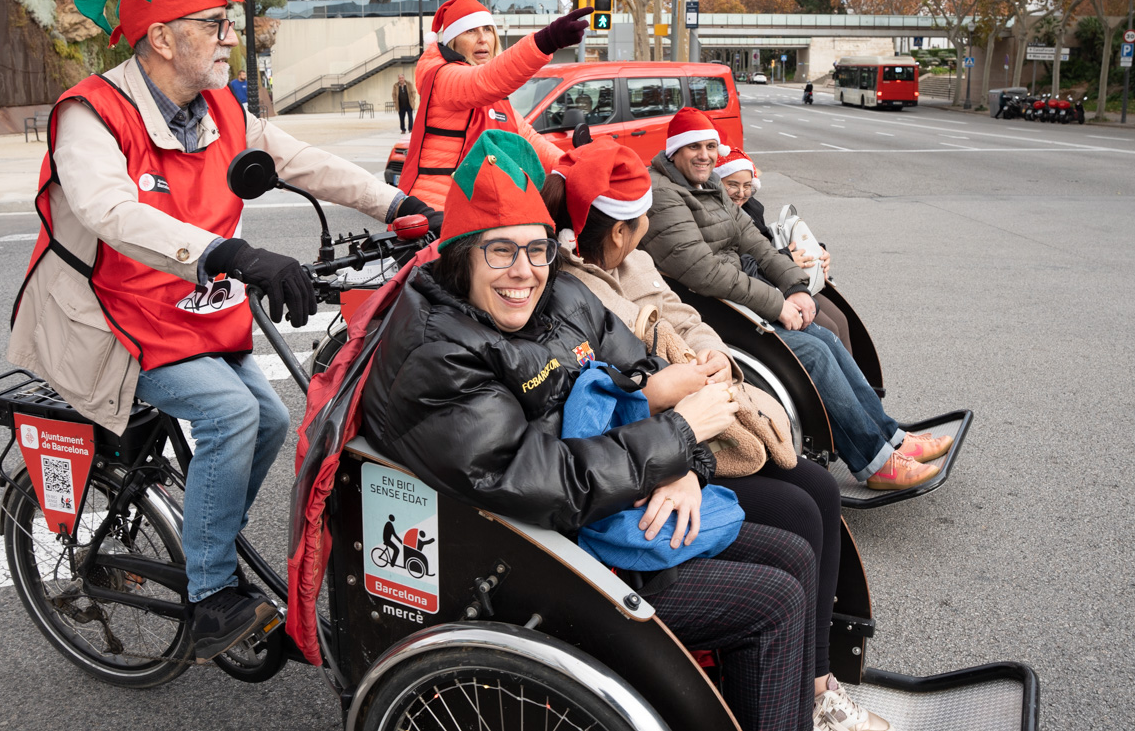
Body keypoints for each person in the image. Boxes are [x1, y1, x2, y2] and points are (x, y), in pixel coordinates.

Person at [6, 0, 442, 663]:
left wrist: (400, 203)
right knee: (234, 411)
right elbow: (111, 210)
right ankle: (209, 596)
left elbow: (302, 160)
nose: (230, 37)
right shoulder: (91, 113)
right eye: (215, 23)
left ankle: (203, 548)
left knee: (271, 415)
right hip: (107, 319)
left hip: (187, 310)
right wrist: (228, 252)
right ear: (163, 37)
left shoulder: (216, 110)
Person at [363, 130, 822, 731]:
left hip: (604, 503)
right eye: (499, 252)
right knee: (774, 600)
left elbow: (641, 371)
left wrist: (685, 466)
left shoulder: (562, 296)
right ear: (462, 256)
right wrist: (678, 438)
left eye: (536, 250)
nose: (522, 273)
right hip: (535, 554)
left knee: (795, 550)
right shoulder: (441, 353)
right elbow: (527, 475)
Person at [542, 139, 893, 731]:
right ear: (624, 229)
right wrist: (683, 409)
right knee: (800, 516)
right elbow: (619, 388)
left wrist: (710, 359)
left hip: (696, 411)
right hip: (666, 435)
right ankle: (800, 686)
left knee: (822, 493)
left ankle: (814, 683)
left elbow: (681, 313)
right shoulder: (577, 291)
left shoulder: (635, 260)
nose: (708, 157)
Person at [638, 108, 950, 491]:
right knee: (812, 354)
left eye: (709, 146)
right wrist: (777, 303)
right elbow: (703, 271)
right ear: (673, 152)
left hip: (735, 298)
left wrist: (796, 286)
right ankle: (874, 462)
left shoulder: (707, 185)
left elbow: (754, 240)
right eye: (694, 147)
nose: (704, 155)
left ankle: (892, 437)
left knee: (827, 338)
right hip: (707, 308)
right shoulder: (665, 194)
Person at [399, 0, 592, 209]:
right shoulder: (442, 76)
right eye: (471, 30)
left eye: (488, 30)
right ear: (452, 41)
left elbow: (530, 141)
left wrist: (576, 165)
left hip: (475, 209)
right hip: (435, 212)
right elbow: (483, 81)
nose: (482, 38)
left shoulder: (495, 95)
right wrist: (547, 40)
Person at [714, 147, 850, 353]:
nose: (741, 193)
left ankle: (860, 384)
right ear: (717, 184)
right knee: (829, 330)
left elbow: (769, 244)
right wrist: (787, 259)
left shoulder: (751, 208)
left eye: (747, 186)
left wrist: (815, 253)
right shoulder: (719, 218)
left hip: (782, 278)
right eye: (732, 185)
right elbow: (742, 263)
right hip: (765, 288)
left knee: (841, 320)